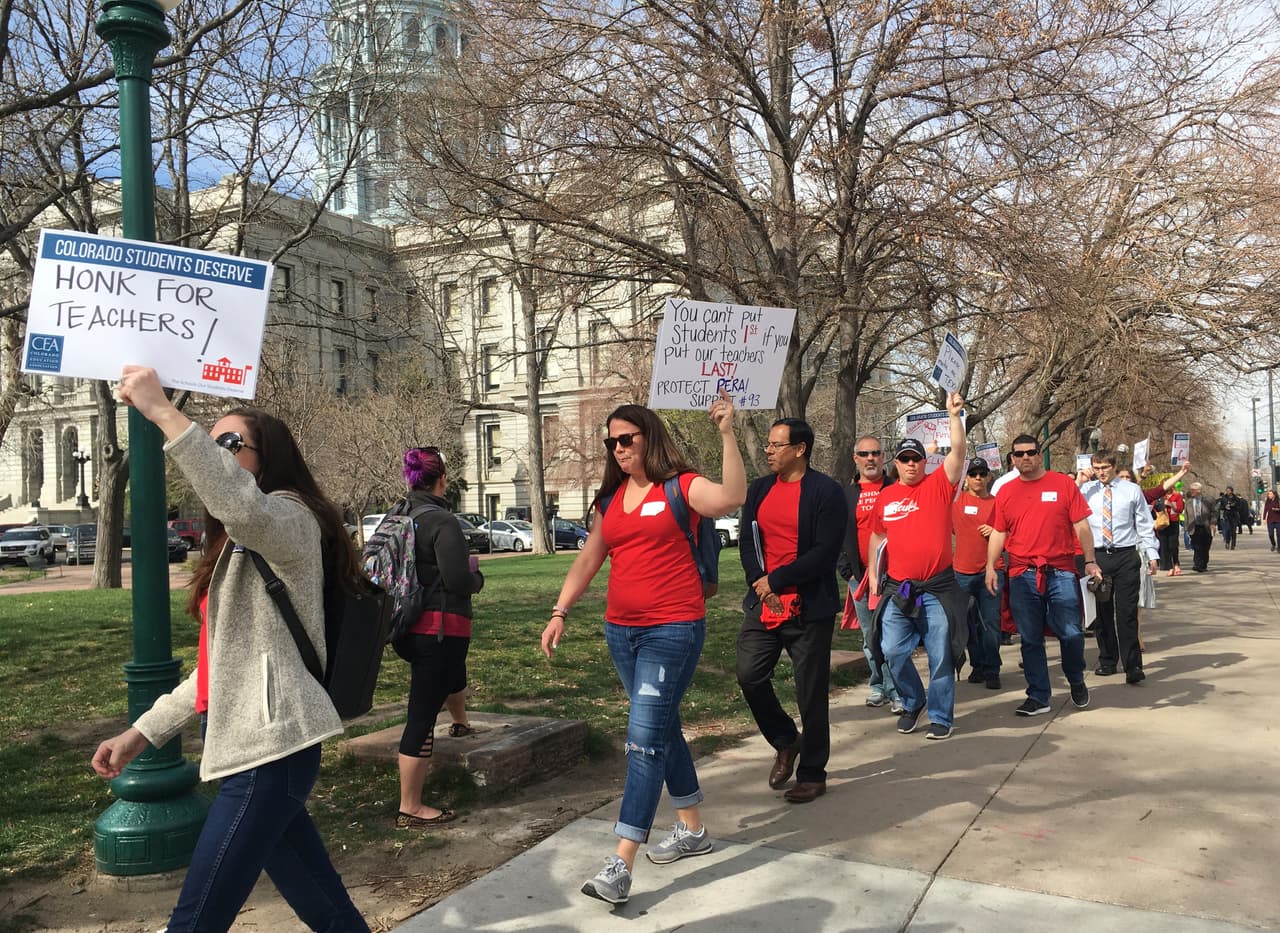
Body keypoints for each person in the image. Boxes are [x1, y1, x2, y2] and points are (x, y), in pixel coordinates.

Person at [91, 366, 369, 933]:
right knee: (324, 904)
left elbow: (243, 507)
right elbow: (218, 666)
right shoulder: (239, 544)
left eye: (229, 444)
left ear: (267, 458)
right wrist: (141, 733)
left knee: (196, 920)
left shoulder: (291, 518)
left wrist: (164, 413)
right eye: (213, 442)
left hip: (272, 751)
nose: (217, 452)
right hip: (251, 747)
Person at [540, 392, 745, 906]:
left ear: (648, 437)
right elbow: (589, 560)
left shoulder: (681, 486)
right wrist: (560, 611)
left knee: (642, 741)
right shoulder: (609, 502)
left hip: (672, 629)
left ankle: (621, 860)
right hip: (621, 632)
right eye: (611, 442)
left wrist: (725, 432)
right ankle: (693, 829)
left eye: (625, 439)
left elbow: (731, 498)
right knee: (661, 726)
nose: (617, 449)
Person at [738, 418, 848, 802]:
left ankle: (813, 772)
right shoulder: (759, 489)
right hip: (763, 602)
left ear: (800, 449)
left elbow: (824, 553)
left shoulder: (825, 492)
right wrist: (760, 581)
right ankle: (786, 740)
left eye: (776, 445)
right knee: (749, 675)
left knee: (810, 692)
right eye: (767, 444)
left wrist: (779, 580)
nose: (768, 451)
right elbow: (748, 542)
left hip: (809, 606)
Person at [867, 392, 968, 740]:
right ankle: (913, 700)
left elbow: (958, 453)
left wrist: (954, 416)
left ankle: (941, 716)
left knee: (940, 653)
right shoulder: (886, 496)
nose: (911, 464)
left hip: (937, 589)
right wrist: (874, 576)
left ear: (925, 462)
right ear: (895, 463)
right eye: (904, 459)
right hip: (899, 589)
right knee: (891, 650)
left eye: (916, 458)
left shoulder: (939, 485)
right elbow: (878, 538)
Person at [392, 446, 484, 828]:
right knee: (422, 715)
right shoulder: (443, 522)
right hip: (440, 628)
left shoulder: (399, 516)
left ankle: (460, 721)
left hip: (405, 626)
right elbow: (458, 580)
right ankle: (410, 806)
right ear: (442, 479)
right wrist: (476, 576)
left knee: (450, 675)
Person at [986, 434, 1096, 716]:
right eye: (1019, 454)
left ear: (1039, 454)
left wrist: (1090, 561)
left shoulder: (1063, 484)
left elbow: (1081, 525)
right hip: (1022, 573)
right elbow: (999, 531)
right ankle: (1038, 696)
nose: (1025, 458)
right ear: (1012, 458)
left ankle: (1076, 678)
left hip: (1061, 571)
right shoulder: (1006, 492)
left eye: (1031, 452)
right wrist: (990, 566)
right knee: (1030, 638)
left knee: (1071, 633)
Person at [1079, 451, 1158, 684]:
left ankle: (1132, 665)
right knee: (1102, 613)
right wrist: (1080, 481)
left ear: (1113, 466)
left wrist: (1151, 553)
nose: (1101, 472)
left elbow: (1144, 522)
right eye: (1097, 467)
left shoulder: (1130, 490)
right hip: (1098, 556)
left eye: (1105, 467)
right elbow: (1069, 509)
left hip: (1125, 554)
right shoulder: (1086, 491)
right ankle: (1107, 659)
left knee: (1126, 612)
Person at [837, 435, 902, 713]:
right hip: (860, 578)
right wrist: (848, 573)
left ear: (883, 456)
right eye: (864, 454)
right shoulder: (846, 494)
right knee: (870, 636)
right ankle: (879, 686)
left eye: (875, 453)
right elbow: (837, 535)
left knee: (893, 636)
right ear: (856, 458)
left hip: (893, 577)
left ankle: (897, 689)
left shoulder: (896, 488)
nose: (870, 458)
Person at [953, 457, 1003, 690]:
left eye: (983, 473)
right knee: (968, 623)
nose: (978, 478)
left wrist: (996, 530)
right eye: (973, 474)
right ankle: (978, 665)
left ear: (989, 476)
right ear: (967, 477)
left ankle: (993, 669)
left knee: (991, 622)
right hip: (961, 573)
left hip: (991, 571)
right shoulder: (956, 502)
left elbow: (1012, 531)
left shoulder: (998, 503)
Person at [1184, 482, 1216, 572]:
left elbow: (1214, 513)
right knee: (1196, 547)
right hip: (1194, 527)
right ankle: (1197, 564)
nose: (1191, 491)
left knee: (1205, 547)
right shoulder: (1189, 502)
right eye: (1191, 490)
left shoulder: (1208, 500)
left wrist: (1213, 523)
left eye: (1193, 490)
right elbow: (1186, 515)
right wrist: (1186, 528)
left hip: (1206, 526)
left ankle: (1203, 564)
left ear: (1199, 490)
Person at [1157, 484, 1185, 575]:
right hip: (1162, 523)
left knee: (1173, 545)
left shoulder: (1177, 496)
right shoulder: (1159, 496)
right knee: (1164, 546)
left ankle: (1176, 564)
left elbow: (1180, 509)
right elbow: (1154, 507)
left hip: (1173, 522)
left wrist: (1170, 505)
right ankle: (1170, 567)